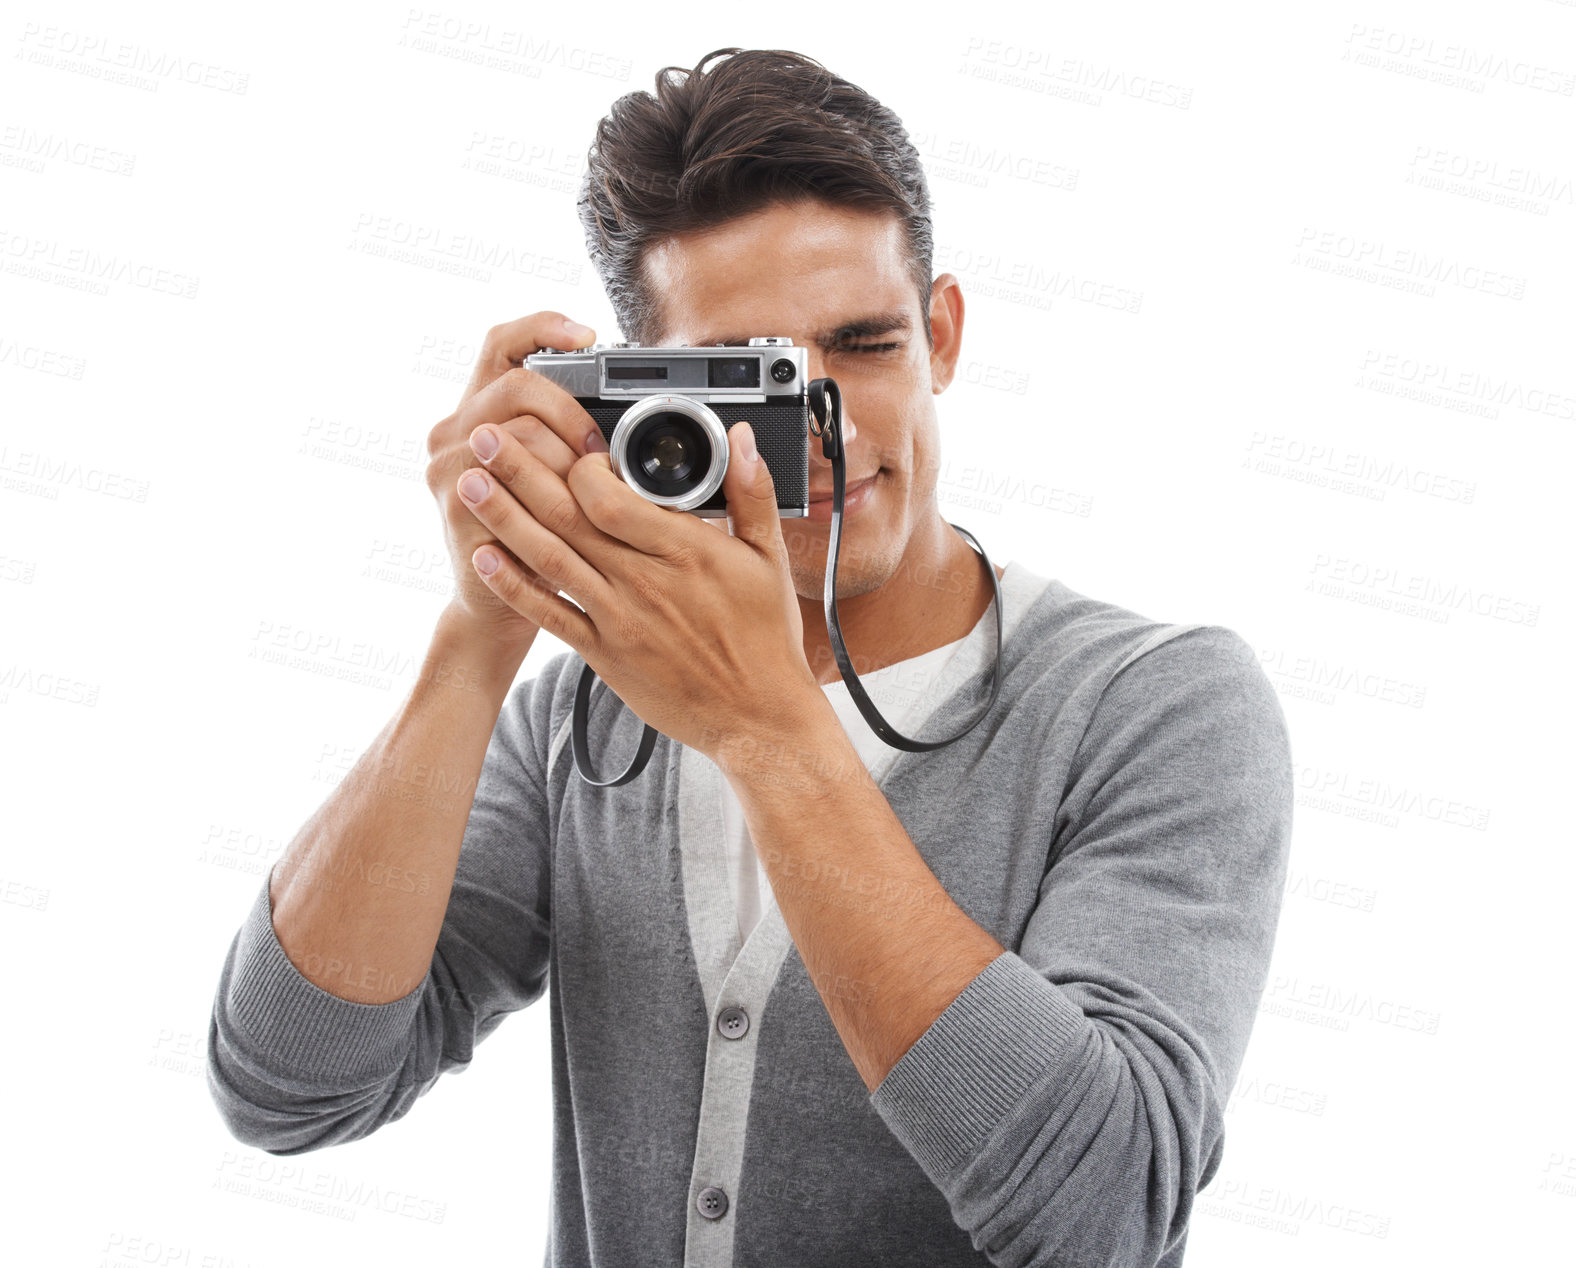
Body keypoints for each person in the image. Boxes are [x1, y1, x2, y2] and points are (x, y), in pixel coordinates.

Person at [206, 47, 1294, 1268]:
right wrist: (480, 628)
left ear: (941, 333)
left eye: (865, 345)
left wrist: (768, 730)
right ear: (637, 391)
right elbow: (287, 1083)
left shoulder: (1154, 706)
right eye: (753, 381)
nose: (820, 431)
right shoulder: (592, 717)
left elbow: (1103, 1211)